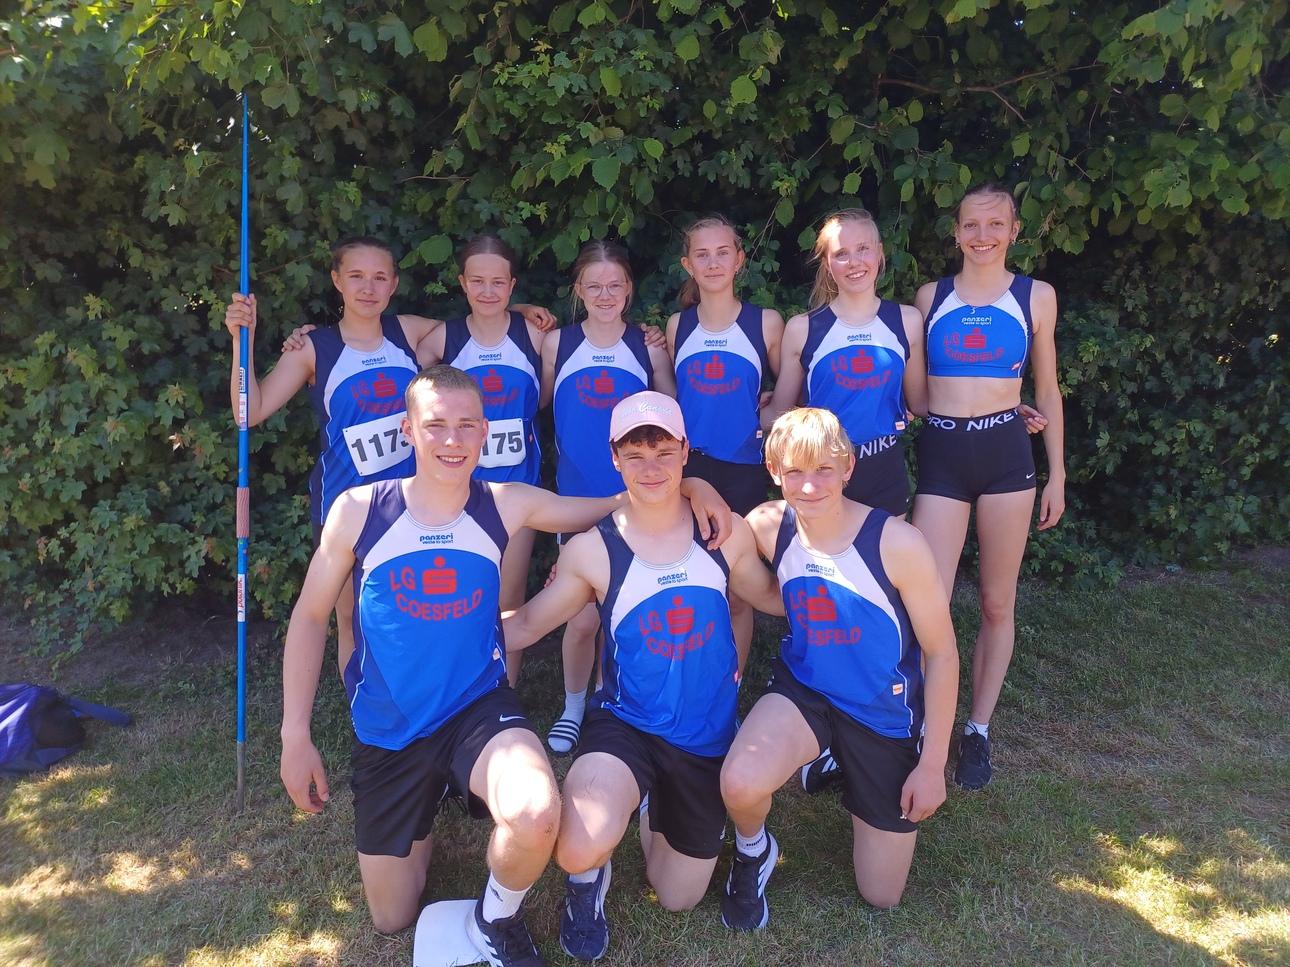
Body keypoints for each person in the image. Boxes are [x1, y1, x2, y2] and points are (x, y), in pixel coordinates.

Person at [278, 366, 729, 965]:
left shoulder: (505, 503)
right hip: (389, 726)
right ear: (408, 430)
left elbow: (609, 503)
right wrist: (294, 734)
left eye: (468, 425)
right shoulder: (360, 510)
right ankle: (426, 808)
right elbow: (310, 619)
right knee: (392, 917)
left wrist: (694, 486)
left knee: (538, 813)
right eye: (436, 425)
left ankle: (495, 920)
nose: (453, 439)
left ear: (486, 432)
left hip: (479, 709)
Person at [502, 392, 782, 962]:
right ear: (614, 459)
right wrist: (442, 634)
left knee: (677, 896)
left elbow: (774, 599)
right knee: (579, 847)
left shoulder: (723, 532)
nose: (650, 465)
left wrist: (844, 582)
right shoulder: (592, 550)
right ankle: (587, 884)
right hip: (625, 724)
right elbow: (528, 624)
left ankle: (695, 821)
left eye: (662, 450)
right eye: (635, 453)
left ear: (684, 451)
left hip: (704, 737)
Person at [719, 407, 958, 927]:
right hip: (807, 690)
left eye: (823, 469)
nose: (808, 487)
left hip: (881, 715)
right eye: (794, 472)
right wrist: (695, 490)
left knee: (881, 894)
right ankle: (753, 850)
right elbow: (756, 580)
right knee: (739, 781)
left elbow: (942, 654)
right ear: (773, 471)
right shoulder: (768, 524)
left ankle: (834, 759)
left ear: (848, 467)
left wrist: (933, 765)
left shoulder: (898, 543)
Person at [912, 182, 1066, 789]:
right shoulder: (930, 297)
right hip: (943, 452)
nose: (982, 236)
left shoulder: (1037, 296)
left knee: (998, 602)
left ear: (1014, 231)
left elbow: (1048, 389)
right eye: (971, 225)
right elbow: (911, 389)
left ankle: (976, 729)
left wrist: (1057, 473)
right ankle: (927, 726)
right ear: (956, 232)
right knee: (932, 603)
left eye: (995, 225)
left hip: (1007, 454)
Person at [225, 237, 432, 680]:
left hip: (411, 501)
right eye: (356, 276)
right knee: (350, 619)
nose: (368, 288)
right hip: (344, 505)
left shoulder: (409, 332)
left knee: (412, 612)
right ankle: (363, 712)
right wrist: (244, 340)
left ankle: (413, 699)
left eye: (380, 277)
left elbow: (481, 324)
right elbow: (249, 412)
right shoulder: (314, 348)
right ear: (337, 280)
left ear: (394, 283)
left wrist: (526, 309)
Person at [538, 241, 676, 756]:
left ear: (629, 290)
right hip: (575, 501)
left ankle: (606, 700)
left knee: (627, 609)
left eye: (614, 284)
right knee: (582, 616)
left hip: (637, 499)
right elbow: (538, 401)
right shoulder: (558, 345)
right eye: (593, 285)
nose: (604, 294)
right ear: (578, 290)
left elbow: (671, 408)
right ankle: (573, 706)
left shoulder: (648, 346)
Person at [665, 214, 784, 673]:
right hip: (686, 470)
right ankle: (687, 680)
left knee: (737, 592)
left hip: (744, 471)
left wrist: (771, 406)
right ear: (687, 264)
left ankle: (729, 693)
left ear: (739, 260)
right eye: (701, 254)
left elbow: (788, 390)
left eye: (722, 252)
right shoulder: (678, 327)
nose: (713, 262)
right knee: (682, 582)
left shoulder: (765, 323)